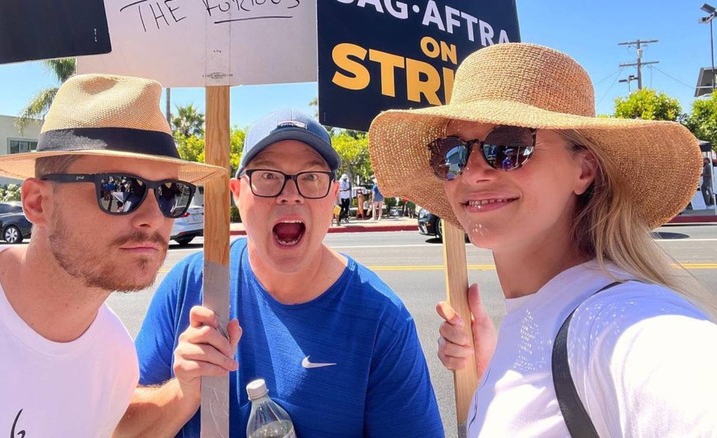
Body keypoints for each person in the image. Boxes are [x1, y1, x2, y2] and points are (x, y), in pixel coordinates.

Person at [367, 43, 717, 436]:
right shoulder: (541, 317)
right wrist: (496, 369)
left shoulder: (624, 325)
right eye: (452, 153)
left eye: (510, 147)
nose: (473, 172)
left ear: (584, 171)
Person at [115, 109, 443, 437]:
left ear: (333, 197)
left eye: (311, 177)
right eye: (268, 176)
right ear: (237, 193)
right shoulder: (192, 284)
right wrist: (182, 392)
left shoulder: (382, 320)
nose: (290, 193)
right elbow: (117, 427)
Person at [0, 74, 225, 436]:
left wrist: (187, 389)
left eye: (169, 193)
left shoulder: (114, 362)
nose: (154, 217)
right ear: (37, 202)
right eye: (119, 190)